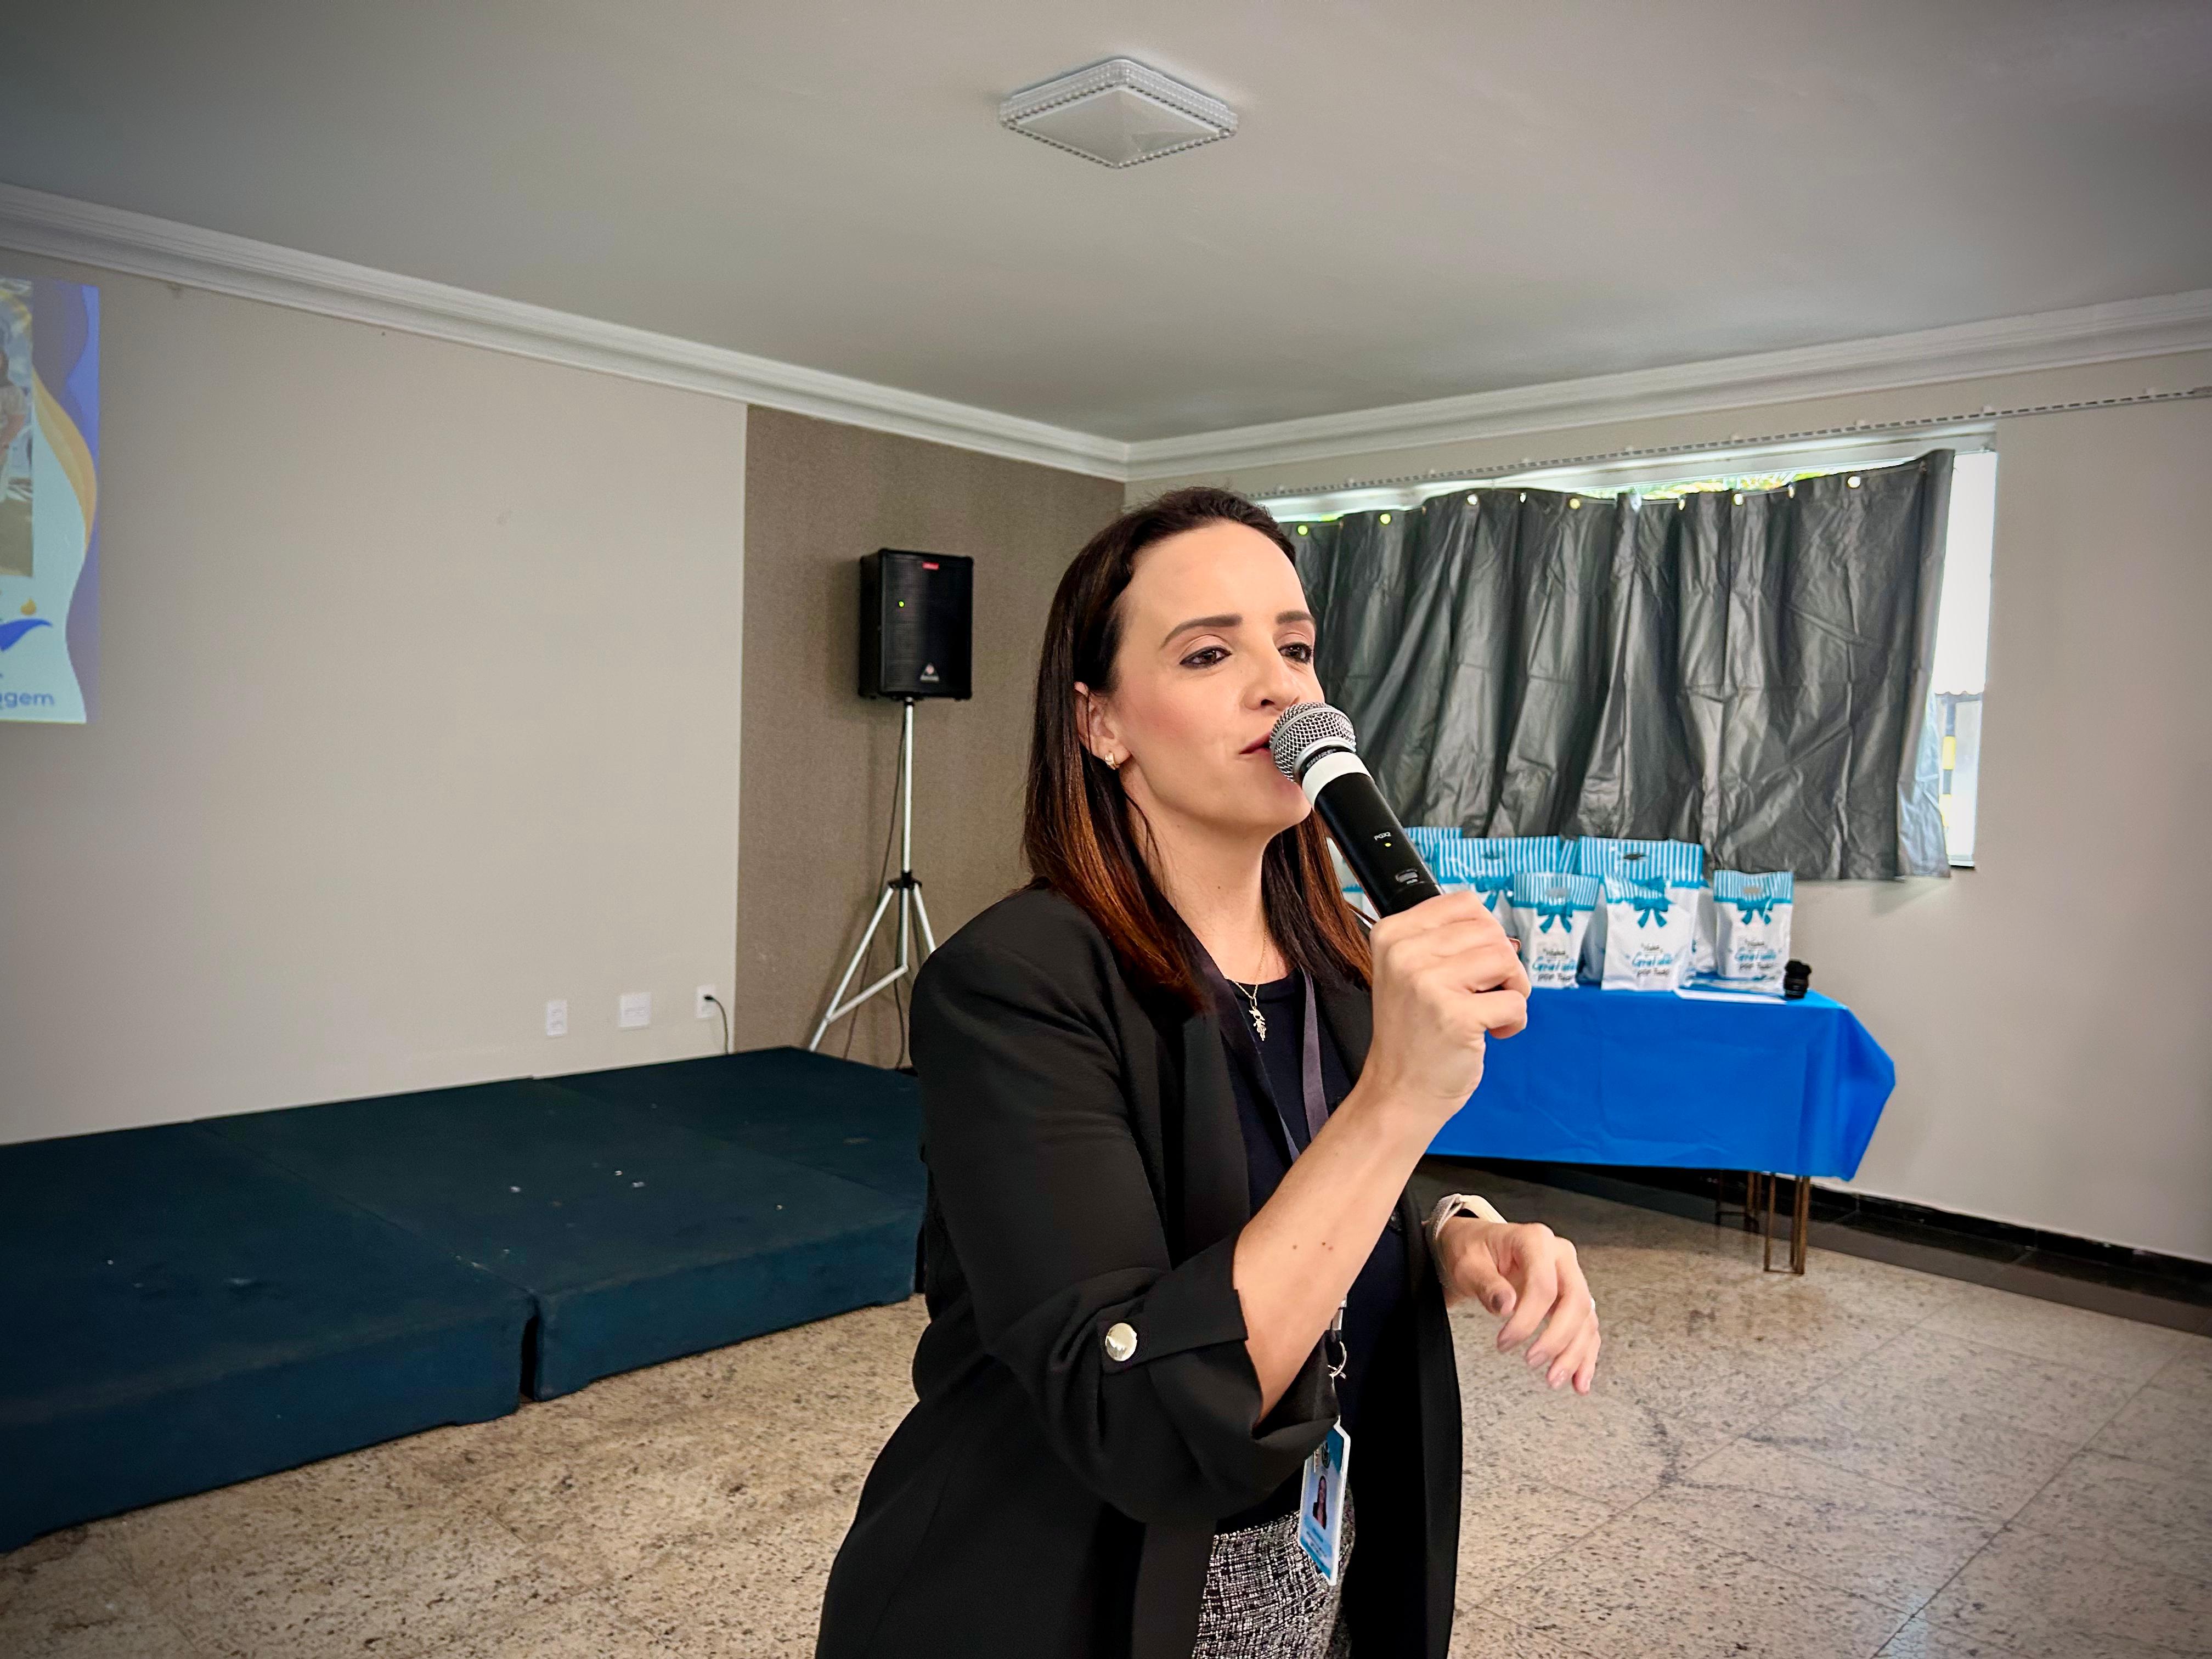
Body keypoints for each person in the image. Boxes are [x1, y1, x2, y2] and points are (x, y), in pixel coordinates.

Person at [815, 488, 1601, 1659]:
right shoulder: (1013, 985)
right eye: (1208, 653)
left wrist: (1454, 1237)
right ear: (1101, 724)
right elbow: (1133, 1412)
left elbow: (1296, 1182)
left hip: (1301, 1593)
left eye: (1296, 648)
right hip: (1045, 1598)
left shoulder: (1342, 962)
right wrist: (1399, 1101)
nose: (1283, 689)